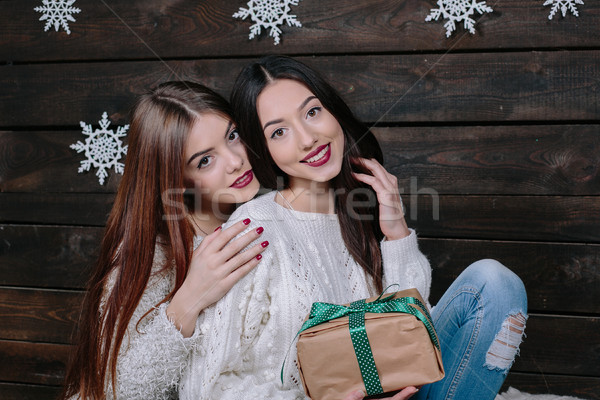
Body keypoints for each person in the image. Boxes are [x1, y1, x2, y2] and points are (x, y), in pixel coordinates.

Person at [178, 55, 527, 400]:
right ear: (263, 148)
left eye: (312, 112)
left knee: (495, 283)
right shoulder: (253, 230)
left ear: (332, 112)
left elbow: (409, 334)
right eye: (279, 131)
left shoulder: (356, 208)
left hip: (399, 390)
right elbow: (204, 387)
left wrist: (396, 236)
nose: (307, 138)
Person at [59, 81, 269, 400]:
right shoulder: (153, 254)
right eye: (204, 160)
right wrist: (188, 301)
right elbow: (114, 392)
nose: (235, 161)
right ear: (176, 178)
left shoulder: (267, 209)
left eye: (232, 135)